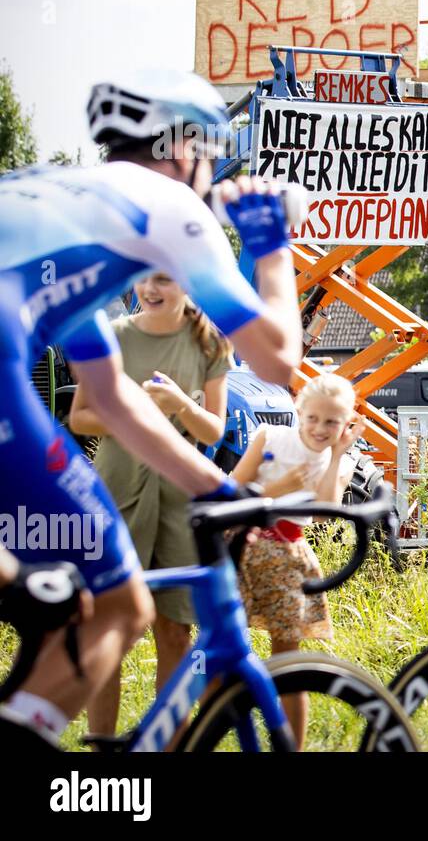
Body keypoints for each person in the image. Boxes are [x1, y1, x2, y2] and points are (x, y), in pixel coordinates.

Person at [0, 69, 302, 744]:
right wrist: (272, 246)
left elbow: (109, 396)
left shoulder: (58, 200)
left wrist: (216, 485)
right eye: (212, 151)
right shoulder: (170, 206)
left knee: (54, 597)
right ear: (185, 147)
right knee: (118, 605)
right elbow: (278, 361)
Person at [69, 273, 233, 737]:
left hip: (180, 503)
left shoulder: (210, 344)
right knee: (112, 634)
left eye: (163, 279)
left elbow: (213, 432)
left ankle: (169, 746)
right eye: (143, 279)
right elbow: (80, 417)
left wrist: (181, 404)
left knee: (175, 633)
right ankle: (102, 753)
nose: (150, 288)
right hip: (119, 493)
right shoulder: (114, 338)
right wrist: (133, 414)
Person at [228, 373, 360, 749]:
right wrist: (277, 490)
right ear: (299, 411)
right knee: (225, 647)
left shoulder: (340, 460)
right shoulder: (269, 438)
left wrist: (336, 456)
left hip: (286, 554)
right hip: (241, 545)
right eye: (313, 418)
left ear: (346, 423)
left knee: (287, 659)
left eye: (332, 422)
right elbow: (235, 488)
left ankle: (292, 747)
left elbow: (323, 511)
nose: (321, 428)